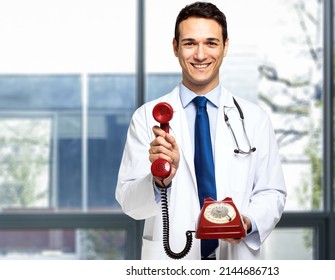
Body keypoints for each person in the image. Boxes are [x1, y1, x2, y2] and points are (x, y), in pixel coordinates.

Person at [115, 1, 286, 260]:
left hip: (235, 259)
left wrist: (247, 222)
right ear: (175, 47)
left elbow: (272, 191)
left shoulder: (255, 119)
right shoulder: (146, 118)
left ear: (226, 46)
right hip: (171, 260)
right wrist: (160, 180)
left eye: (211, 43)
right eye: (189, 43)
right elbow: (129, 201)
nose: (200, 54)